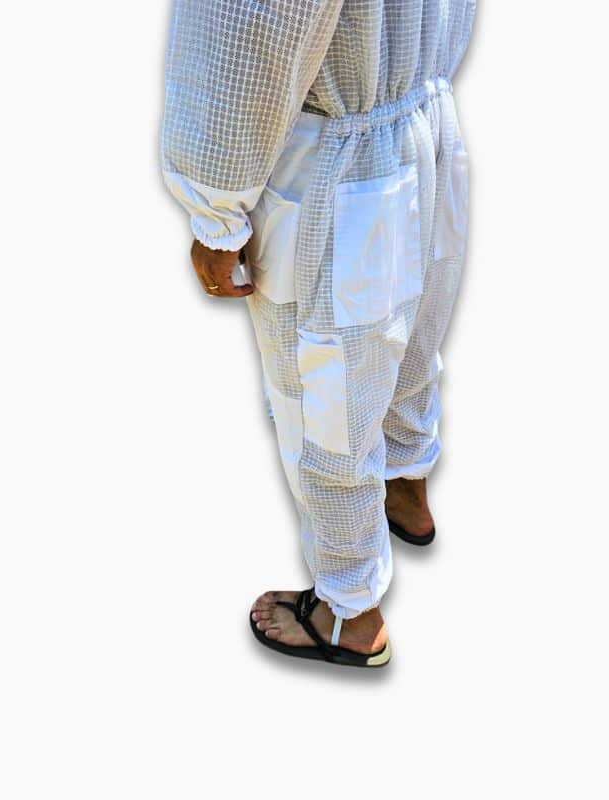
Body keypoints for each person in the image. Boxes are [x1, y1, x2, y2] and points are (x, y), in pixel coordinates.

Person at [160, 0, 475, 668]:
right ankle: (406, 495)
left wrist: (217, 213)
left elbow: (249, 29)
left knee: (327, 402)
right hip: (421, 117)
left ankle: (349, 614)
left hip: (335, 161)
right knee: (408, 341)